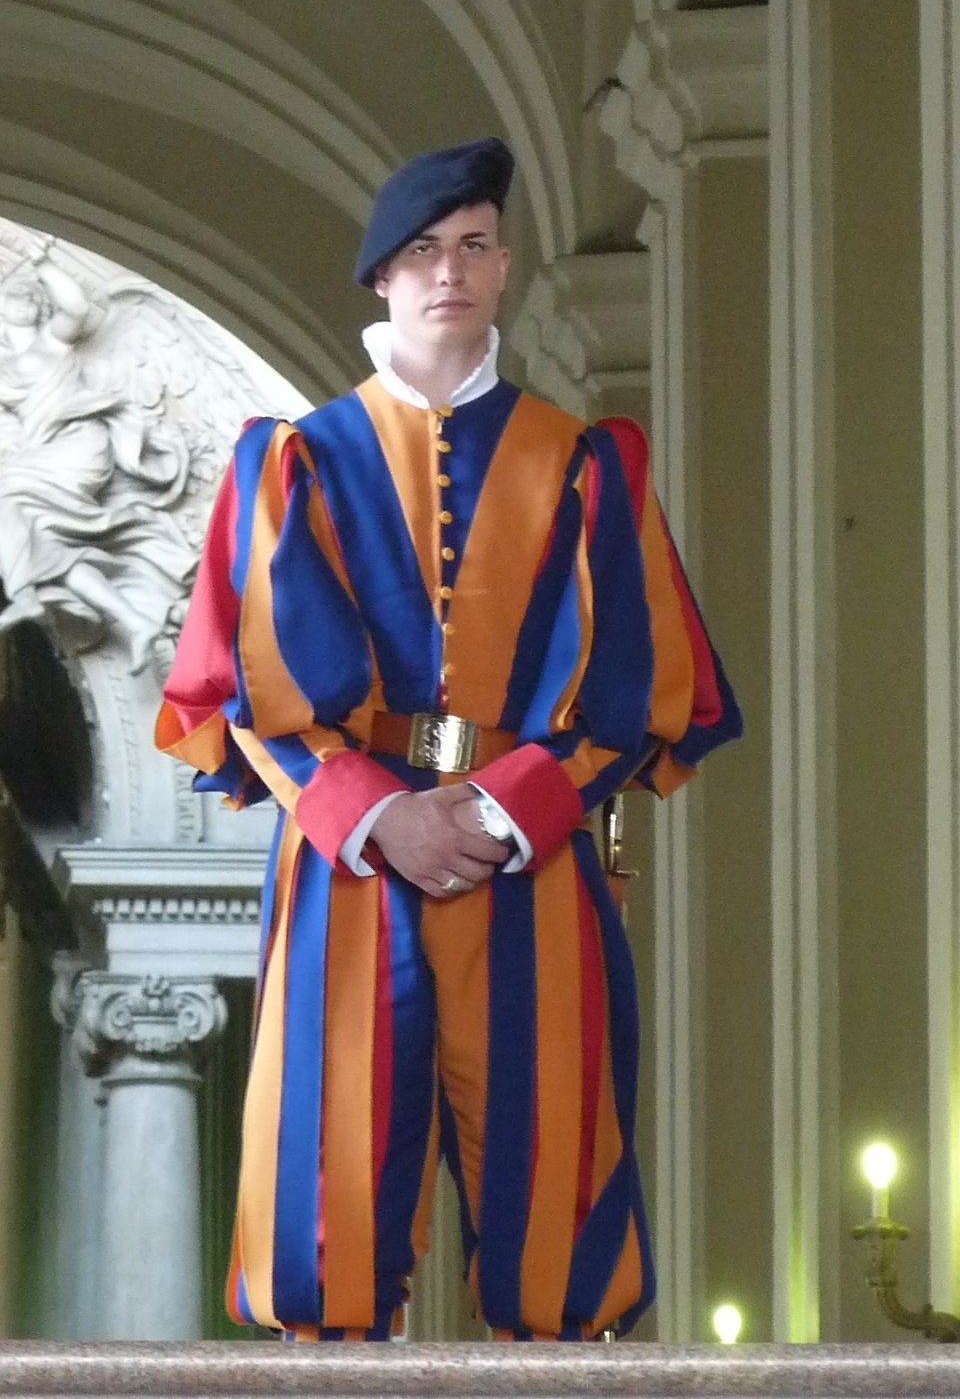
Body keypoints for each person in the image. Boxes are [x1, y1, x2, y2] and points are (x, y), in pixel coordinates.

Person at [156, 138, 739, 1340]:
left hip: (528, 855)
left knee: (556, 1193)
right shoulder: (296, 458)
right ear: (382, 277)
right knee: (332, 1189)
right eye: (424, 250)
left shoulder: (583, 462)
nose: (450, 271)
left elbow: (624, 685)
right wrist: (382, 815)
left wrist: (494, 811)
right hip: (350, 867)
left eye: (474, 245)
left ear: (506, 264)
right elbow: (262, 687)